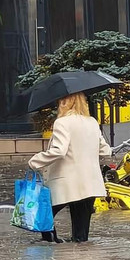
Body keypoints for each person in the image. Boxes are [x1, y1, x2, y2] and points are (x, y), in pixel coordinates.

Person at [27, 93, 112, 243]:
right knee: (81, 236)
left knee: (43, 213)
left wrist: (35, 161)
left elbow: (59, 150)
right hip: (90, 183)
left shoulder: (62, 123)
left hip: (67, 183)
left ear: (65, 102)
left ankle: (52, 247)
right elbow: (105, 151)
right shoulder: (92, 122)